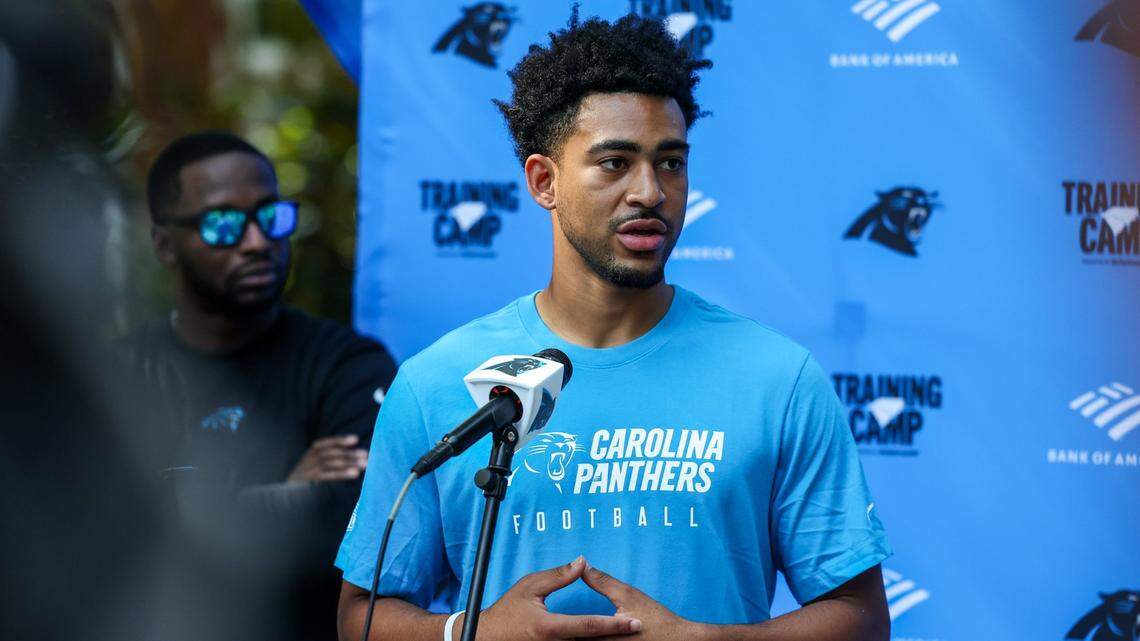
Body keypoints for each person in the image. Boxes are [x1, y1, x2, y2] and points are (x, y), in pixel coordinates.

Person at [336, 11, 891, 641]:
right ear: (544, 181)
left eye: (671, 163)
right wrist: (473, 633)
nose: (650, 191)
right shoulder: (437, 381)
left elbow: (863, 619)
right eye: (615, 163)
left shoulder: (777, 378)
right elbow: (360, 617)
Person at [119, 131, 398, 641]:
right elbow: (100, 538)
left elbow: (355, 524)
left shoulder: (348, 364)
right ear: (164, 244)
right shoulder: (122, 373)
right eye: (223, 225)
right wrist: (286, 491)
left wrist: (182, 503)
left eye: (270, 217)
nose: (256, 242)